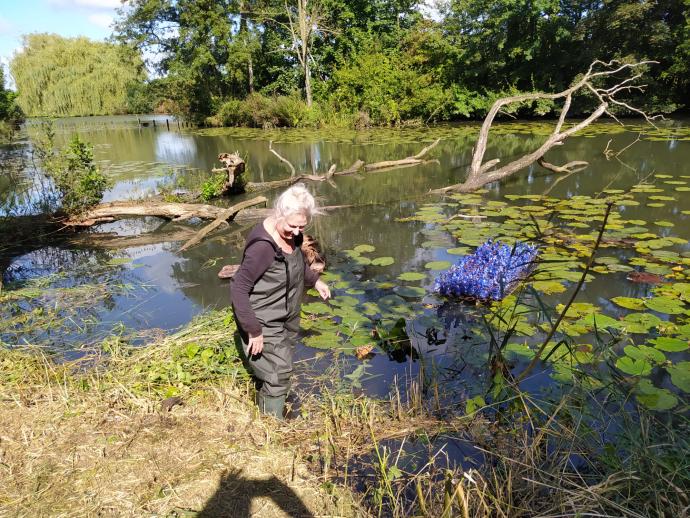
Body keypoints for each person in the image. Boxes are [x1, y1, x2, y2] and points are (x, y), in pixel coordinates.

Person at [231, 184, 330, 419]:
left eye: (301, 227)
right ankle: (270, 427)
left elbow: (297, 265)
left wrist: (315, 281)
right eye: (291, 225)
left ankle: (266, 398)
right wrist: (253, 331)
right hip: (263, 320)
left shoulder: (293, 238)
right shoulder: (263, 248)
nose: (296, 232)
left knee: (280, 365)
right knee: (278, 375)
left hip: (286, 315)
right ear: (279, 213)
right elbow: (238, 288)